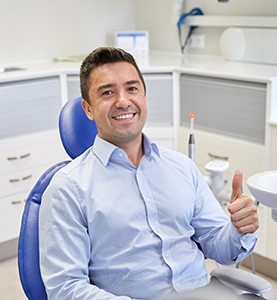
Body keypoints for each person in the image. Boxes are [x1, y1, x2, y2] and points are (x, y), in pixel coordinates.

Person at [39, 47, 259, 300]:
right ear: (88, 109)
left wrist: (239, 230)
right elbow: (65, 288)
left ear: (144, 96)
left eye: (132, 88)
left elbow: (217, 244)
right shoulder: (68, 188)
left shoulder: (181, 166)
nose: (123, 101)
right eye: (107, 92)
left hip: (203, 293)